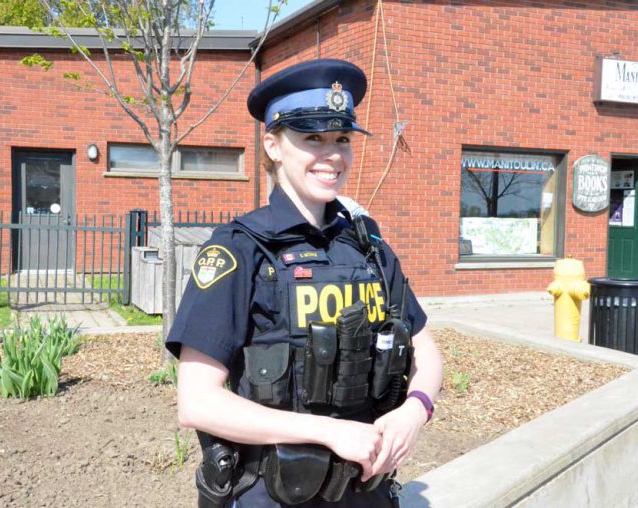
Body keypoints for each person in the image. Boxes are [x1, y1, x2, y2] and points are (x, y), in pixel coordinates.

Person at [166, 58, 443, 507]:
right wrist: (328, 432)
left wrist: (416, 410)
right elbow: (197, 402)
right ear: (273, 146)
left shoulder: (368, 246)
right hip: (274, 492)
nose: (332, 155)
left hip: (367, 491)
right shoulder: (239, 250)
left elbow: (426, 350)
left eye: (342, 139)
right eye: (312, 138)